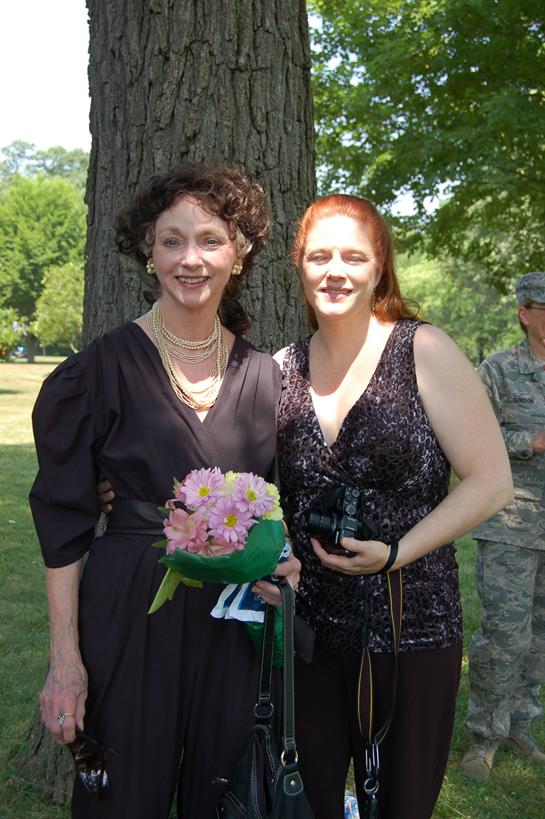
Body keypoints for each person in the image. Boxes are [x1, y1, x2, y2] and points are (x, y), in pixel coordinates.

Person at [29, 162, 300, 819]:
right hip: (128, 609)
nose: (190, 259)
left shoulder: (267, 378)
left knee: (224, 793)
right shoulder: (98, 371)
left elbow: (281, 502)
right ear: (148, 253)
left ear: (238, 254)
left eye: (210, 240)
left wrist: (284, 559)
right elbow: (63, 526)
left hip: (233, 621)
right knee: (124, 794)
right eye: (171, 240)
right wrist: (65, 659)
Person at [274, 194, 513, 819]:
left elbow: (491, 481)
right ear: (299, 265)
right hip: (308, 638)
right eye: (320, 256)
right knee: (306, 803)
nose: (335, 271)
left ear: (379, 267)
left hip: (413, 627)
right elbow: (253, 489)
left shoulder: (422, 349)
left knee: (401, 805)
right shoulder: (282, 369)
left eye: (354, 257)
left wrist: (396, 553)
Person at [460, 271, 545, 782]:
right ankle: (484, 737)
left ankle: (519, 724)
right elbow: (469, 433)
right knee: (505, 636)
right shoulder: (498, 370)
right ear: (525, 314)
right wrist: (528, 442)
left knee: (540, 639)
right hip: (512, 523)